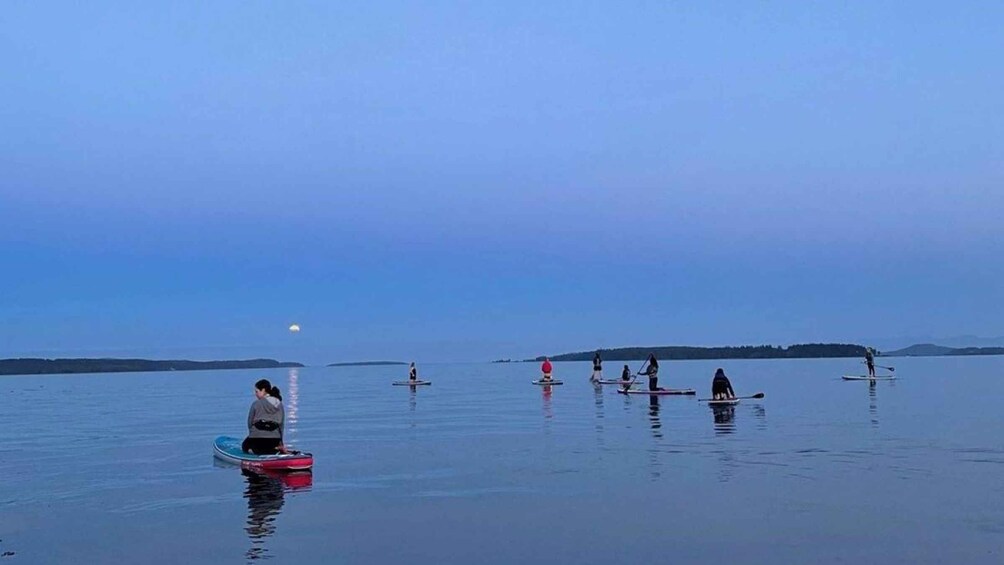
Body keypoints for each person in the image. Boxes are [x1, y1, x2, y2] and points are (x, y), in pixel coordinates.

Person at [242, 379, 285, 455]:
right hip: (274, 439)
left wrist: (252, 434)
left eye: (257, 391)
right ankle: (274, 450)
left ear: (263, 390)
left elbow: (249, 422)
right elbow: (281, 425)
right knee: (270, 447)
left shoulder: (256, 404)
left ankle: (253, 451)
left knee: (244, 446)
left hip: (256, 438)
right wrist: (281, 442)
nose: (255, 394)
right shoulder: (279, 404)